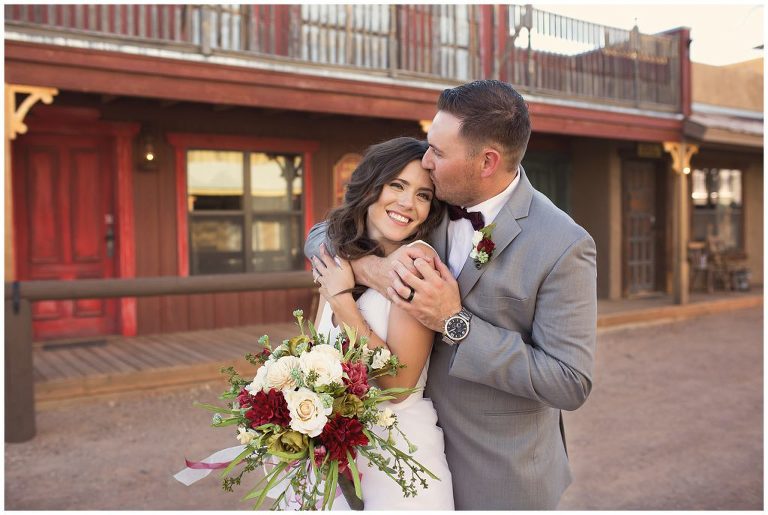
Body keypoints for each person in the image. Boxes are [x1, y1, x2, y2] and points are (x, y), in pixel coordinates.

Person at [305, 80, 597, 509]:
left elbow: (570, 382)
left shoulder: (562, 244)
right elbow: (324, 234)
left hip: (499, 472)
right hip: (396, 452)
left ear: (486, 162)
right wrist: (373, 269)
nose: (426, 161)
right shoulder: (430, 205)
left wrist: (455, 323)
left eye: (438, 153)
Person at [310, 137, 454, 510]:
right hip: (335, 450)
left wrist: (343, 302)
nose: (408, 203)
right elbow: (315, 354)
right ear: (371, 185)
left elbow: (398, 386)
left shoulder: (416, 263)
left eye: (423, 195)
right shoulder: (338, 256)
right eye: (397, 185)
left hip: (397, 459)